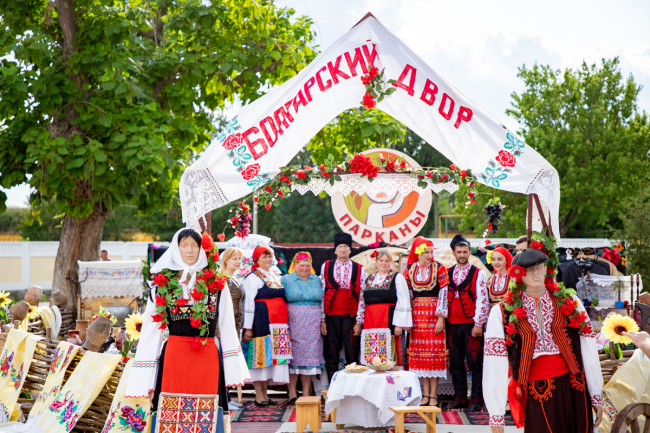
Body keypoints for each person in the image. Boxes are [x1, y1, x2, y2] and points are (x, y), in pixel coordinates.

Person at [126, 228, 250, 433]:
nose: (190, 250)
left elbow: (228, 328)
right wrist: (147, 380)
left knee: (208, 415)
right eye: (184, 245)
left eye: (195, 245)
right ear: (176, 249)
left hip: (207, 359)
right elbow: (150, 334)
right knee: (171, 415)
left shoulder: (217, 286)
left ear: (202, 249)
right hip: (174, 360)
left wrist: (234, 371)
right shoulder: (161, 287)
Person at [483, 248, 603, 432]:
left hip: (574, 384)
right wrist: (496, 414)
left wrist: (595, 394)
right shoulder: (502, 311)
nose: (536, 273)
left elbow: (588, 348)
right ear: (519, 273)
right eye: (529, 269)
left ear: (547, 269)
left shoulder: (570, 302)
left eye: (540, 267)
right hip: (536, 389)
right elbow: (494, 363)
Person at [242, 245, 291, 406]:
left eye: (270, 256)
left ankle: (265, 393)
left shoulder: (274, 275)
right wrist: (248, 327)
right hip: (261, 323)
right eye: (264, 256)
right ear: (256, 260)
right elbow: (248, 304)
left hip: (278, 325)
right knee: (260, 357)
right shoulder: (252, 278)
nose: (268, 259)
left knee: (272, 359)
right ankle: (259, 394)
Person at [404, 236, 450, 407]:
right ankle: (425, 394)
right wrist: (407, 319)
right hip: (417, 316)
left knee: (434, 356)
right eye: (426, 252)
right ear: (418, 253)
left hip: (434, 315)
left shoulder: (439, 268)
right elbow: (407, 295)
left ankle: (434, 395)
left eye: (431, 252)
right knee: (421, 357)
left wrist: (440, 317)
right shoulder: (410, 269)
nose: (430, 255)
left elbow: (444, 293)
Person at [446, 234, 489, 411]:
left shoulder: (478, 273)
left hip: (471, 324)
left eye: (465, 251)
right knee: (456, 362)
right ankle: (460, 397)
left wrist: (478, 323)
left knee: (475, 362)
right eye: (459, 252)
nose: (462, 255)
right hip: (452, 324)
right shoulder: (448, 272)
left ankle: (477, 398)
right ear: (454, 253)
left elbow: (482, 299)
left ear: (469, 252)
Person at [320, 233, 368, 380]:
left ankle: (352, 385)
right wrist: (322, 319)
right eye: (339, 247)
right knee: (331, 351)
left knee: (351, 350)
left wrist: (359, 321)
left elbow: (362, 296)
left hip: (350, 316)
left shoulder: (359, 269)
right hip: (331, 316)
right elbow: (322, 293)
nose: (342, 249)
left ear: (350, 250)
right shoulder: (326, 266)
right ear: (335, 250)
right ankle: (332, 386)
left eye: (345, 246)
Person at [281, 252, 325, 405]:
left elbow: (322, 302)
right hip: (293, 321)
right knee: (293, 355)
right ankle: (292, 393)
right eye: (302, 265)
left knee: (310, 355)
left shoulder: (317, 280)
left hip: (313, 323)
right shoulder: (286, 280)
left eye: (308, 265)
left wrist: (322, 320)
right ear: (295, 265)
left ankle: (306, 392)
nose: (305, 268)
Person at [355, 249, 412, 365]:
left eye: (387, 261)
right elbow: (362, 301)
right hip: (371, 321)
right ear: (376, 262)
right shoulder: (369, 278)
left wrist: (399, 324)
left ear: (390, 262)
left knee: (389, 351)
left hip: (389, 319)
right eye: (381, 260)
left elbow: (403, 300)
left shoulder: (397, 277)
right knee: (372, 350)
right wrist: (359, 322)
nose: (384, 263)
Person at [220, 246, 245, 408]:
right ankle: (224, 400)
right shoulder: (224, 279)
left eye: (239, 259)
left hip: (234, 326)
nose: (238, 262)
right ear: (226, 260)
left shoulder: (233, 278)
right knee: (224, 362)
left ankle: (227, 397)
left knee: (229, 362)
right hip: (225, 327)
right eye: (234, 258)